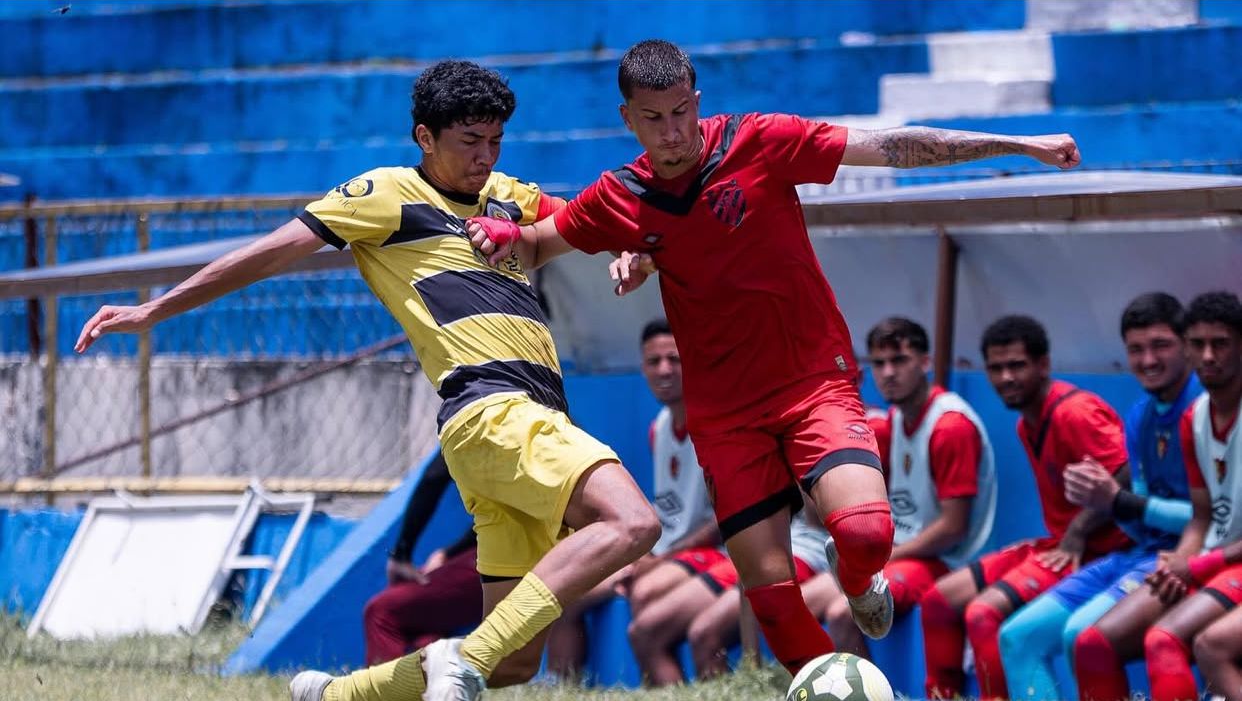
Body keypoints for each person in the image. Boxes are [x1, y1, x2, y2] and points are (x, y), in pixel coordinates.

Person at [464, 38, 1082, 677]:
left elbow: (892, 145)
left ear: (697, 101)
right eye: (654, 118)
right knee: (773, 599)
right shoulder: (620, 195)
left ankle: (859, 574)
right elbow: (541, 241)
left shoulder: (760, 141)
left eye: (681, 112)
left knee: (868, 533)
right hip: (725, 417)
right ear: (628, 118)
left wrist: (1020, 145)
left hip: (813, 384)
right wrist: (505, 231)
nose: (672, 131)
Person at [73, 60, 661, 701]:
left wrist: (631, 247)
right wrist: (155, 308)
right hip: (496, 410)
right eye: (470, 142)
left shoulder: (513, 201)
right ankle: (462, 661)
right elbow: (269, 252)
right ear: (424, 137)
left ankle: (332, 695)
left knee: (516, 664)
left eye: (495, 141)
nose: (485, 157)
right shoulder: (386, 194)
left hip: (511, 430)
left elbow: (588, 220)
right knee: (632, 521)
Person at [917, 315, 1131, 701]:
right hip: (1059, 544)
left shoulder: (1074, 412)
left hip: (1104, 551)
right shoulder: (1026, 425)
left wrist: (1080, 529)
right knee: (938, 600)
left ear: (1043, 364)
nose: (1006, 378)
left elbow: (1128, 472)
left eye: (1017, 365)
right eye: (996, 369)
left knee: (983, 614)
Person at [999, 293, 1198, 701]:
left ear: (1187, 347)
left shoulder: (1204, 406)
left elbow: (1211, 516)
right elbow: (1138, 512)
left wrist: (1118, 503)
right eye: (1136, 349)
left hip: (1192, 556)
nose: (1148, 360)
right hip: (1141, 553)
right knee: (1016, 637)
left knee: (1083, 635)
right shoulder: (1142, 415)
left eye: (1161, 345)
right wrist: (1105, 501)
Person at [1072, 291, 1242, 701]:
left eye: (1220, 344)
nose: (1208, 356)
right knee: (1093, 643)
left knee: (1174, 642)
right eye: (1198, 344)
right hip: (1214, 558)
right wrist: (1182, 559)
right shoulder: (1193, 418)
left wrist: (1198, 563)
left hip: (1226, 561)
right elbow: (1201, 518)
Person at [545, 318, 721, 680]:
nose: (664, 370)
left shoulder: (715, 428)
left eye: (674, 359)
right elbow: (668, 512)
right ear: (642, 368)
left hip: (714, 555)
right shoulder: (659, 428)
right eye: (654, 362)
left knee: (645, 590)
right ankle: (562, 689)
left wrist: (660, 559)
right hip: (667, 553)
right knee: (563, 595)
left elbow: (727, 522)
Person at [822, 317, 995, 658]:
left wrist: (881, 558)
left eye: (899, 360)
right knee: (801, 596)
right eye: (879, 363)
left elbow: (953, 529)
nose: (888, 373)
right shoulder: (895, 421)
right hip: (903, 555)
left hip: (947, 561)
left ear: (925, 362)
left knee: (842, 613)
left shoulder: (949, 426)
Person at [628, 504, 835, 685]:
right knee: (645, 632)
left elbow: (817, 512)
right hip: (761, 549)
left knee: (704, 634)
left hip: (809, 552)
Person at [364, 453, 482, 666]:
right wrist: (449, 554)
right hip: (547, 556)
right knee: (426, 634)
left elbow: (434, 476)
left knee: (382, 612)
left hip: (500, 561)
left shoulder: (473, 421)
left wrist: (402, 553)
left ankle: (383, 691)